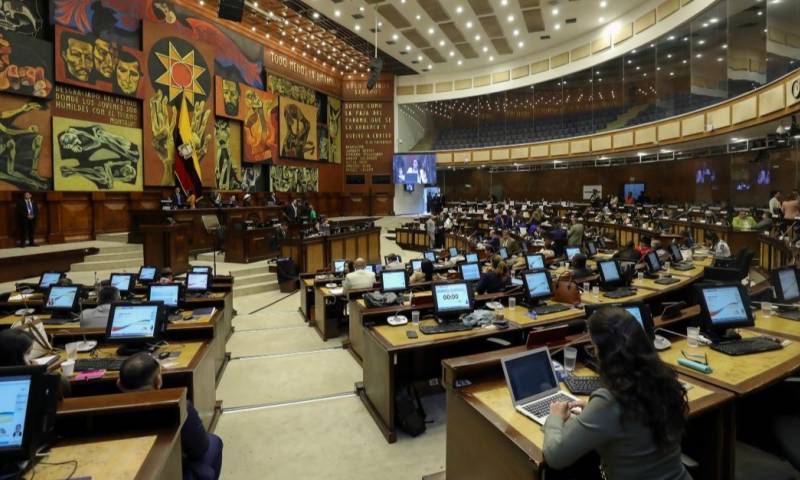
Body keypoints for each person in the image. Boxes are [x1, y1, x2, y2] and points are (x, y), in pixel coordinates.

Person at [543, 307, 690, 479]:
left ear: (607, 354)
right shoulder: (664, 379)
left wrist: (554, 418)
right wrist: (593, 410)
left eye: (594, 349)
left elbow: (555, 457)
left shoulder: (611, 400)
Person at [118, 353, 223, 480]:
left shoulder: (104, 413)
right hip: (169, 472)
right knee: (214, 442)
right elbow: (200, 448)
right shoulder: (179, 407)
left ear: (119, 384)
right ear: (158, 381)